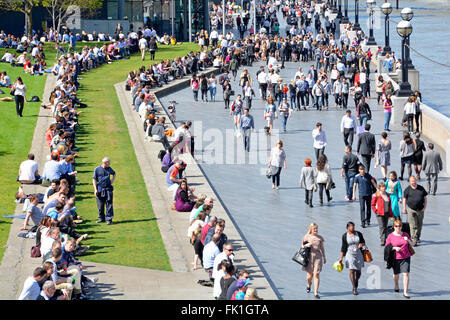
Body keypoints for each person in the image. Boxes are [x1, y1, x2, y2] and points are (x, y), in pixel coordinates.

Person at [385, 219, 414, 298]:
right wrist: (394, 248)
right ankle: (396, 285)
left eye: (399, 226)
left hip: (406, 257)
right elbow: (387, 247)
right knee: (396, 274)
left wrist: (407, 240)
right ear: (394, 227)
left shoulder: (405, 234)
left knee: (406, 274)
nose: (398, 228)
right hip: (396, 257)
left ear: (401, 227)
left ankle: (405, 292)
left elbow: (413, 243)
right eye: (396, 226)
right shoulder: (390, 236)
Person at [338, 222, 366, 295]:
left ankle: (356, 281)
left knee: (358, 271)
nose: (352, 228)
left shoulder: (359, 234)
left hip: (359, 253)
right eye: (350, 227)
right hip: (349, 254)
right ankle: (354, 288)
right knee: (352, 270)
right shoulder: (345, 236)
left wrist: (361, 244)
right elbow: (343, 247)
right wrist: (341, 258)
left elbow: (363, 242)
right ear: (347, 228)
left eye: (353, 226)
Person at [301, 223, 326, 299]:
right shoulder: (306, 237)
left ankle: (316, 292)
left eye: (316, 229)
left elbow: (322, 248)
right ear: (311, 229)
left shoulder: (320, 238)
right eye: (314, 229)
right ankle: (309, 284)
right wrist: (306, 245)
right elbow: (302, 246)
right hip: (309, 257)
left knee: (316, 274)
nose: (316, 230)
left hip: (318, 257)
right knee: (309, 276)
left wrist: (324, 257)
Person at [403, 176, 428, 246]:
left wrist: (424, 207)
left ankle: (417, 237)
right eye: (412, 181)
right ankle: (414, 239)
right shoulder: (407, 189)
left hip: (420, 210)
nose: (413, 182)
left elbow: (425, 198)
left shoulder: (421, 188)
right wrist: (404, 208)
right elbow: (404, 199)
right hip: (412, 210)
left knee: (419, 225)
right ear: (410, 182)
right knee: (413, 225)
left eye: (414, 181)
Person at [93, 157, 116, 225]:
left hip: (108, 189)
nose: (109, 163)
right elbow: (94, 179)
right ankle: (101, 218)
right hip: (100, 189)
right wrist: (95, 189)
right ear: (104, 163)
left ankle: (109, 219)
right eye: (108, 162)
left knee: (109, 204)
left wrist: (112, 180)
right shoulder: (97, 169)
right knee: (100, 205)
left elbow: (114, 173)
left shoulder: (109, 169)